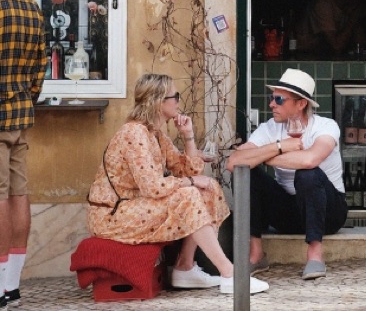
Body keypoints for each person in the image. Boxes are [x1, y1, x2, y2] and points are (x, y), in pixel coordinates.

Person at [87, 73, 268, 295]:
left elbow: (188, 170)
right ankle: (229, 273)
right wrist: (191, 181)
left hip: (138, 207)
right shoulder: (134, 134)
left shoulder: (155, 134)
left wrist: (188, 136)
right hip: (114, 215)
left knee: (207, 189)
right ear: (158, 101)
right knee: (190, 193)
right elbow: (153, 188)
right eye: (176, 96)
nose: (179, 101)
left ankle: (185, 266)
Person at [227, 68, 348, 281]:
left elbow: (310, 159)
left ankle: (315, 255)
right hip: (289, 212)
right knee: (246, 173)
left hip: (329, 211)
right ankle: (256, 254)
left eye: (279, 99)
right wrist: (280, 146)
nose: (272, 104)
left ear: (301, 104)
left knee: (307, 174)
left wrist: (261, 156)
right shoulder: (270, 129)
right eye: (272, 97)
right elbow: (234, 161)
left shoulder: (326, 126)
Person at [0, 0, 47, 307]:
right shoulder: (32, 7)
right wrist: (24, 100)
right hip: (19, 117)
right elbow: (39, 73)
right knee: (19, 194)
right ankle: (12, 285)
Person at [295, 0, 366, 58]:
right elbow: (336, 46)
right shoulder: (323, 4)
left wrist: (356, 19)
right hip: (303, 56)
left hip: (324, 55)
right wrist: (353, 19)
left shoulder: (349, 8)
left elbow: (360, 46)